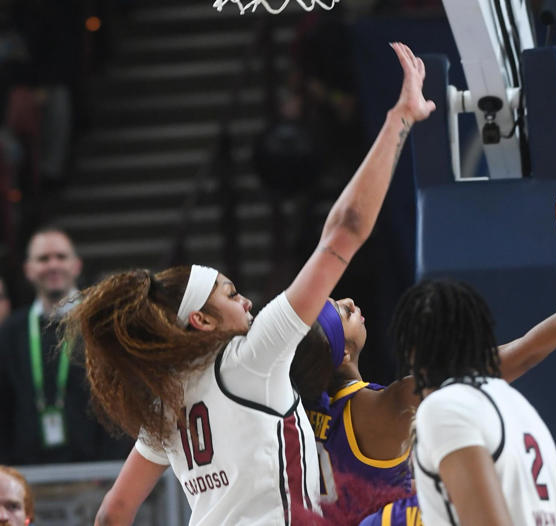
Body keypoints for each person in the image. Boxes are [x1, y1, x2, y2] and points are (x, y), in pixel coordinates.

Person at [62, 42, 435, 526]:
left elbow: (113, 512)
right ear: (201, 320)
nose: (248, 301)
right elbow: (343, 231)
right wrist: (399, 120)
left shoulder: (166, 401)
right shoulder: (252, 358)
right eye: (232, 295)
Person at [290, 204, 556, 525]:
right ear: (339, 353)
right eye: (341, 311)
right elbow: (527, 350)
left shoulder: (296, 416)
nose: (351, 302)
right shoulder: (395, 403)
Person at [0, 227, 129, 465]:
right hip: (27, 478)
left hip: (96, 475)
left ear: (76, 265)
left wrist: (109, 469)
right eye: (43, 259)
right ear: (28, 270)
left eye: (61, 257)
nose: (52, 265)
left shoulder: (102, 326)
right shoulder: (9, 333)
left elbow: (121, 402)